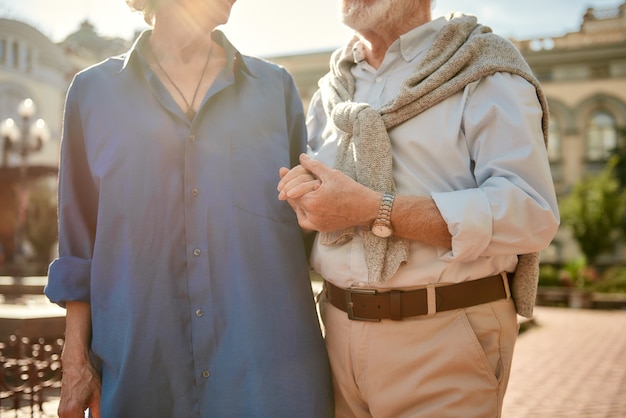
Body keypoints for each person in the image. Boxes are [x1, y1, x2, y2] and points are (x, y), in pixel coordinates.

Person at [45, 0, 333, 417]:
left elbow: (307, 227)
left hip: (270, 379)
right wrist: (75, 361)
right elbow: (78, 243)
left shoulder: (276, 89)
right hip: (143, 377)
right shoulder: (92, 93)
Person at [277, 0, 560, 417]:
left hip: (445, 336)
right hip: (332, 334)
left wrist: (375, 209)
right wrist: (305, 198)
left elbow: (530, 212)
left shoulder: (484, 66)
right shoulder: (329, 91)